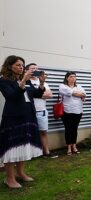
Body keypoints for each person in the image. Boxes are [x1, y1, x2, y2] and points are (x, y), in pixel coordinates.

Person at [0, 55, 46, 188]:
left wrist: (41, 83)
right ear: (10, 66)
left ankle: (20, 173)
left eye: (22, 65)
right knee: (11, 148)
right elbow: (11, 96)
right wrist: (23, 81)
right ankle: (9, 178)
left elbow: (37, 94)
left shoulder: (26, 79)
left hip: (28, 116)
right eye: (18, 65)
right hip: (13, 118)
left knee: (24, 145)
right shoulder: (4, 80)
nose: (21, 67)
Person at [26, 63, 58, 159]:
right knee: (28, 132)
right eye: (33, 68)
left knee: (43, 132)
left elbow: (50, 95)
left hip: (41, 111)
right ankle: (29, 154)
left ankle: (46, 152)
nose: (35, 70)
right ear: (27, 70)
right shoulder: (26, 82)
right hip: (28, 111)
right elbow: (27, 94)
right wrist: (40, 94)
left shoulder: (43, 82)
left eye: (37, 68)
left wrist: (36, 94)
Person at [59, 71, 86, 155]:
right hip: (67, 111)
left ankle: (74, 146)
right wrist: (78, 94)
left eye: (74, 76)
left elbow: (84, 95)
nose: (73, 78)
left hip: (78, 111)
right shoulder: (62, 86)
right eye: (71, 76)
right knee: (68, 129)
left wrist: (76, 94)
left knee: (75, 129)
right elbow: (68, 92)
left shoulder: (79, 86)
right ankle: (69, 147)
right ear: (67, 78)